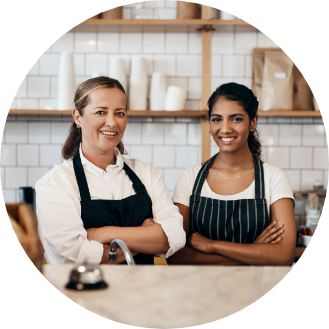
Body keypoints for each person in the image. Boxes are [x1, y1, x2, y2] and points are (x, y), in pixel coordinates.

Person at [35, 76, 185, 265]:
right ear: (77, 117)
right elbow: (74, 256)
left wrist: (104, 234)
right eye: (100, 112)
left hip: (145, 292)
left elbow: (175, 236)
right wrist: (146, 237)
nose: (112, 123)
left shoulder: (146, 173)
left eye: (120, 113)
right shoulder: (54, 184)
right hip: (84, 294)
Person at [167, 82, 296, 266]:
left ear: (253, 122)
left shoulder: (273, 178)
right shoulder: (190, 177)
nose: (225, 129)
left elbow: (284, 256)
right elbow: (176, 256)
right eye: (217, 119)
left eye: (236, 119)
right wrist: (253, 251)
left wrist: (212, 245)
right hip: (199, 291)